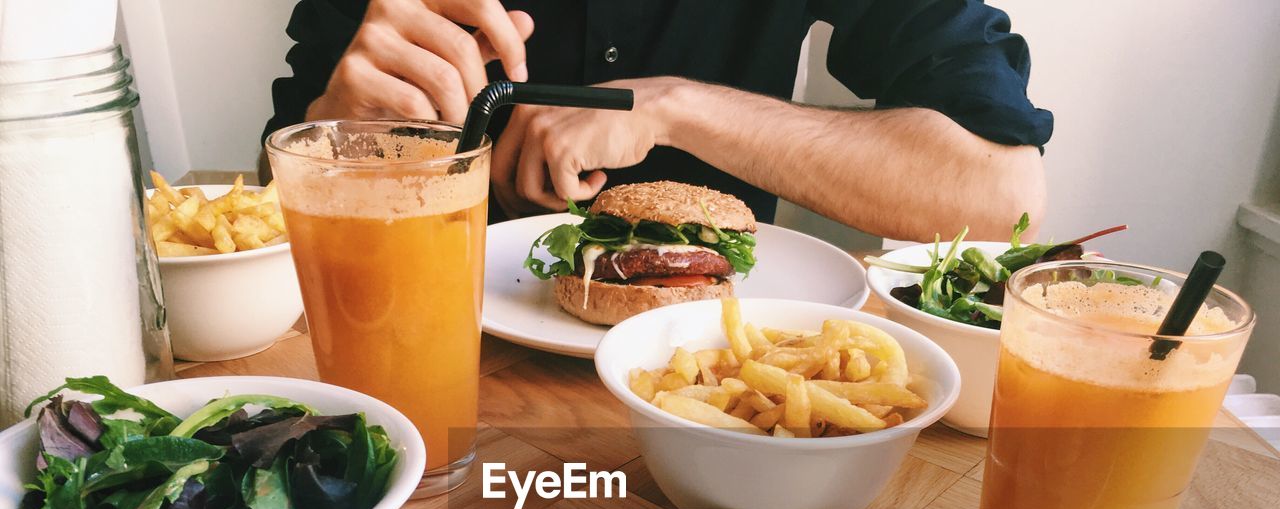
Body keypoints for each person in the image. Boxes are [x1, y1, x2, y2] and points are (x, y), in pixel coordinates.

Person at [262, 0, 1052, 239]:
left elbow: (997, 192)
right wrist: (342, 136)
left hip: (723, 387)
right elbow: (261, 217)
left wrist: (679, 108)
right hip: (436, 378)